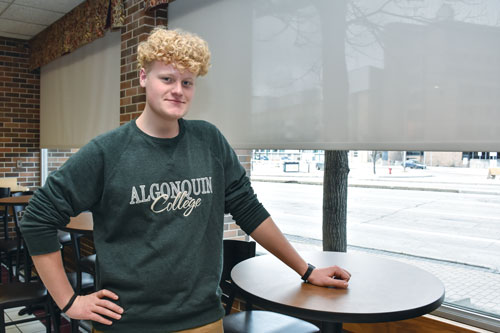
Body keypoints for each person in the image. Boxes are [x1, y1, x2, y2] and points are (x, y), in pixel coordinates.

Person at [21, 27, 351, 333]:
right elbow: (38, 217)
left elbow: (249, 210)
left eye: (187, 82)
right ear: (143, 78)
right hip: (128, 322)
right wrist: (68, 301)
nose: (178, 90)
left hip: (204, 318)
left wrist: (306, 271)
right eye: (167, 79)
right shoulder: (107, 152)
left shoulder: (209, 142)